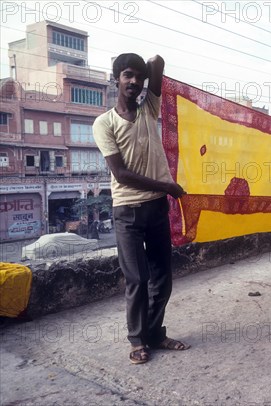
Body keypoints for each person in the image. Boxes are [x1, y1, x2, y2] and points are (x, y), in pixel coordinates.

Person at [93, 53, 189, 364]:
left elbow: (159, 62)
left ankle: (154, 335)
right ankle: (137, 340)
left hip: (156, 209)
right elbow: (121, 174)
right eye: (127, 75)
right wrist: (168, 187)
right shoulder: (104, 123)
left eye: (138, 77)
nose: (134, 81)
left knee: (163, 277)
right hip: (128, 212)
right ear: (116, 79)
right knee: (137, 278)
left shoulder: (149, 108)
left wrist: (150, 66)